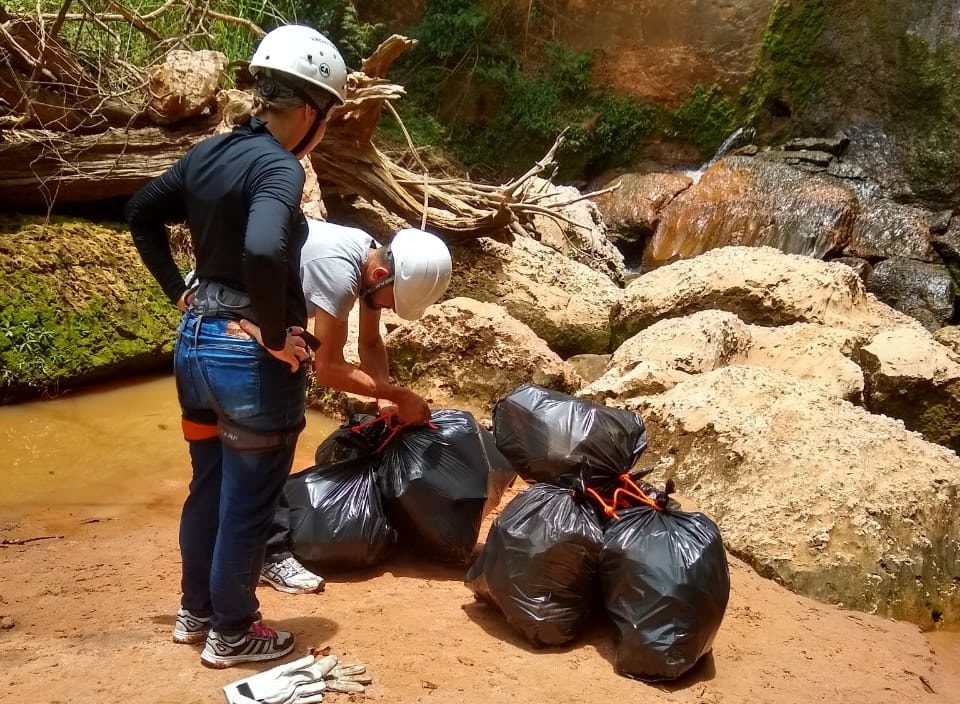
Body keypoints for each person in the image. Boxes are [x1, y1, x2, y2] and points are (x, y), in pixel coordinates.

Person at [125, 25, 348, 669]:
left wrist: (179, 292)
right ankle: (233, 629)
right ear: (309, 111)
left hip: (194, 344)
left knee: (209, 486)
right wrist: (276, 337)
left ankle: (196, 610)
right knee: (249, 500)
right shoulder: (279, 167)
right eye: (327, 117)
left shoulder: (208, 153)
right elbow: (260, 248)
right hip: (246, 360)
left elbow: (141, 210)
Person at [248, 219, 453, 591]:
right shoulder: (341, 273)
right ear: (380, 274)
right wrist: (400, 396)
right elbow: (328, 369)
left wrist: (382, 404)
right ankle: (269, 554)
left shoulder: (368, 253)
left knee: (275, 438)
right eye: (394, 301)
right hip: (237, 324)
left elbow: (370, 344)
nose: (389, 309)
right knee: (268, 443)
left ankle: (253, 539)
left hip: (268, 322)